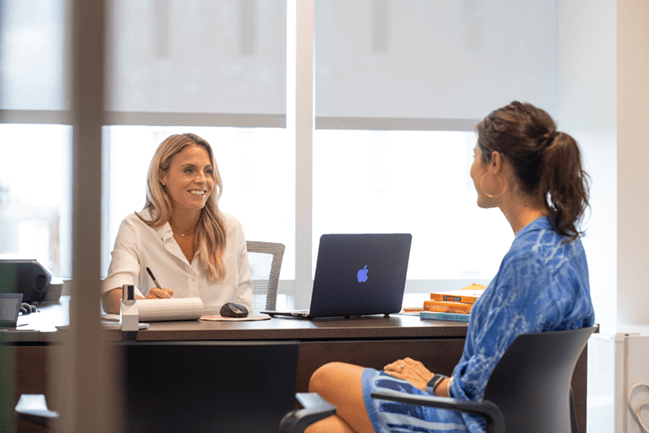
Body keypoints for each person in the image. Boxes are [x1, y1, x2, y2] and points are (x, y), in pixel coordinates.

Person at [305, 101, 595, 433]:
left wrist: (429, 381)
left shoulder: (528, 260)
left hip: (474, 422)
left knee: (324, 376)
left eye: (475, 156)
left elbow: (477, 387)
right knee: (323, 428)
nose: (472, 168)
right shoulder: (564, 242)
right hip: (507, 420)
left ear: (495, 162)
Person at [101, 133, 253, 315]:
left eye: (207, 171)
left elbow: (245, 304)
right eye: (189, 170)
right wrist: (146, 305)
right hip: (164, 341)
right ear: (161, 176)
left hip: (222, 340)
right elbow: (113, 296)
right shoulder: (136, 227)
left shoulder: (231, 228)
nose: (202, 180)